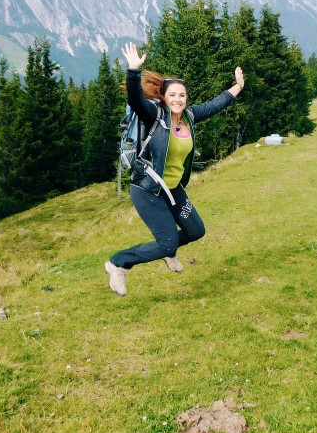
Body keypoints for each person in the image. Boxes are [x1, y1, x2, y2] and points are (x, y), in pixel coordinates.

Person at [105, 42, 245, 296]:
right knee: (167, 243)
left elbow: (215, 104)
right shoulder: (154, 115)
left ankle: (167, 251)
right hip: (147, 189)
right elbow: (135, 99)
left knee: (195, 230)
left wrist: (238, 87)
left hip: (171, 189)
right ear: (164, 98)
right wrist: (134, 71)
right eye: (172, 95)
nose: (178, 99)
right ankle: (119, 263)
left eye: (182, 95)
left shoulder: (189, 117)